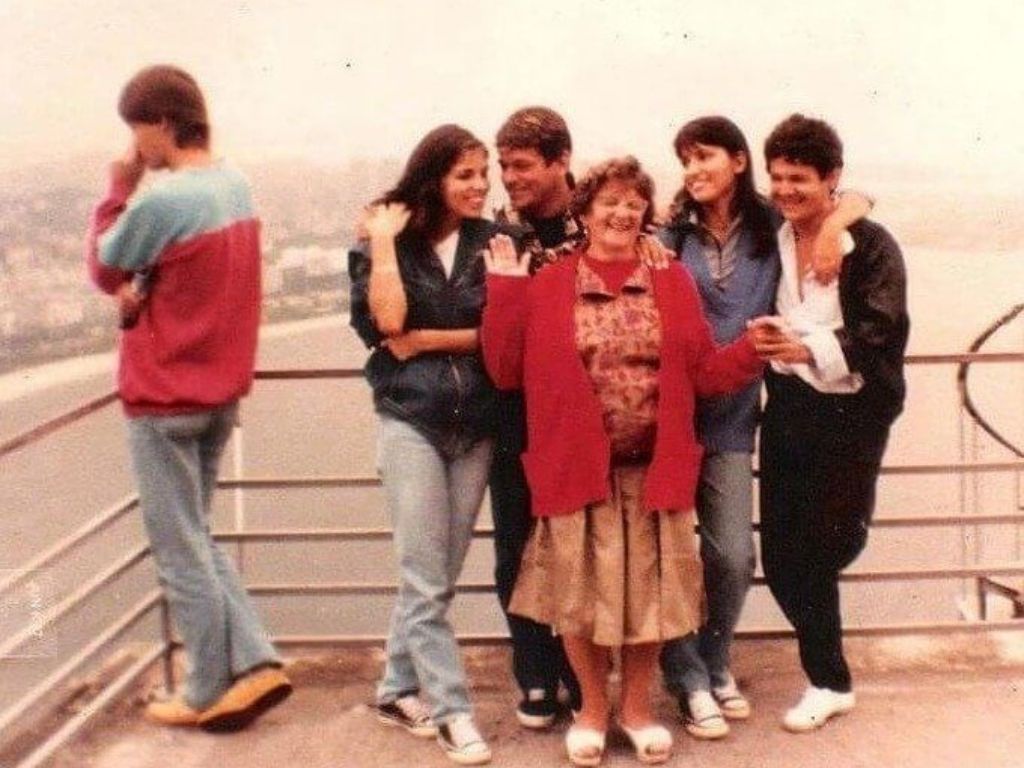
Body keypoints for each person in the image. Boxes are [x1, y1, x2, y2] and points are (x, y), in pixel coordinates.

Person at [482, 156, 767, 766]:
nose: (622, 213)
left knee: (650, 597)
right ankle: (590, 708)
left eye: (635, 204)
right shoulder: (551, 281)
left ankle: (636, 709)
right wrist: (505, 290)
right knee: (577, 598)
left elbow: (705, 372)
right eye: (610, 202)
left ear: (646, 216)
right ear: (584, 212)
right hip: (574, 469)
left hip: (652, 467)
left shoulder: (672, 281)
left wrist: (750, 351)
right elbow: (505, 370)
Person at [84, 64, 291, 731]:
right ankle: (256, 660)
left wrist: (117, 192)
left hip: (163, 397)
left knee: (180, 551)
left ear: (163, 123)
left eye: (136, 128)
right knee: (197, 537)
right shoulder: (235, 186)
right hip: (218, 393)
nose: (134, 144)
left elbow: (104, 265)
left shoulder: (161, 198)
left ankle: (203, 688)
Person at [656, 116, 873, 739]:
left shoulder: (769, 228)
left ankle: (714, 656)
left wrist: (836, 222)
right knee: (671, 556)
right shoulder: (671, 235)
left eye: (704, 158)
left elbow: (848, 198)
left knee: (731, 555)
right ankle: (689, 677)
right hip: (668, 418)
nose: (693, 171)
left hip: (732, 417)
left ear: (737, 162)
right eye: (685, 160)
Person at [749, 114, 908, 733]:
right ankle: (829, 678)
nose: (787, 190)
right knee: (783, 554)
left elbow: (880, 331)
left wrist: (806, 347)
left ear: (832, 179)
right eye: (778, 178)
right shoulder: (775, 231)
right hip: (789, 409)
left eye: (801, 180)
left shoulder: (869, 245)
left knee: (834, 542)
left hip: (851, 413)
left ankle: (829, 678)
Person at [348, 124, 498, 765]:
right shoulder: (383, 244)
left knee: (437, 572)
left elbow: (503, 336)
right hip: (411, 419)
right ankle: (451, 711)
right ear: (433, 177)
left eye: (483, 172)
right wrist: (384, 244)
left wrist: (431, 339)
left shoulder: (497, 243)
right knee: (425, 574)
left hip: (477, 424)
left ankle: (394, 688)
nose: (480, 185)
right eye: (465, 174)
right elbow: (385, 324)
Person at [488, 106, 583, 728]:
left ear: (560, 161)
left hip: (581, 412)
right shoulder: (499, 231)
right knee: (516, 546)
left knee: (580, 546)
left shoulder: (603, 218)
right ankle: (535, 674)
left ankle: (580, 672)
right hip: (514, 410)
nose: (508, 178)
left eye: (521, 165)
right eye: (503, 166)